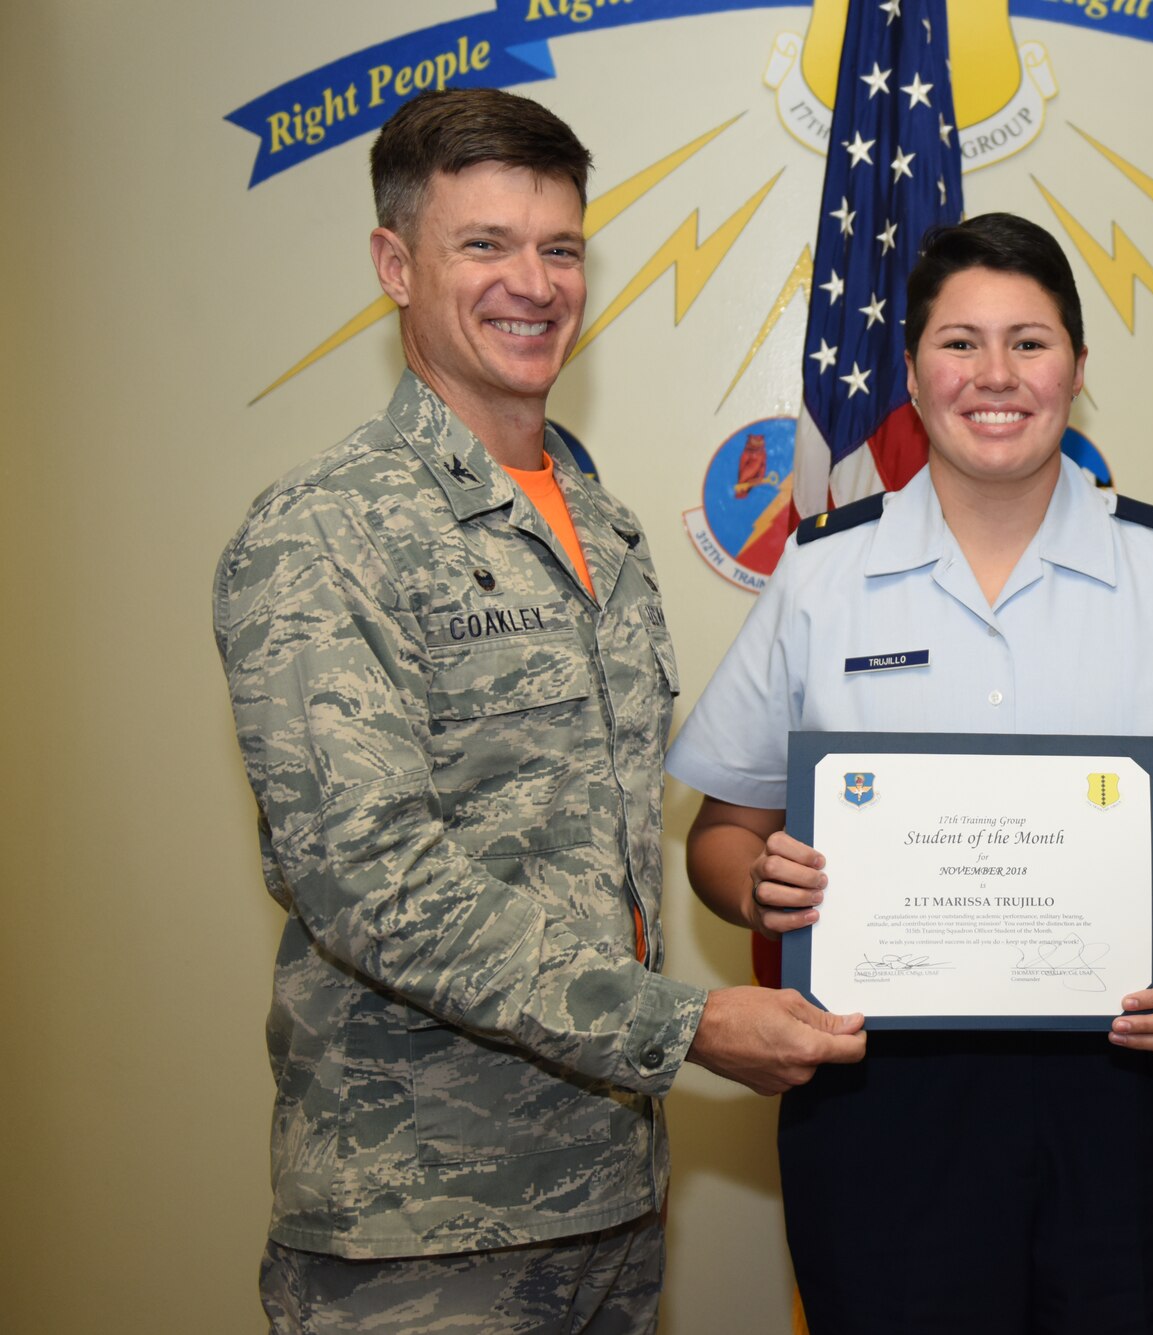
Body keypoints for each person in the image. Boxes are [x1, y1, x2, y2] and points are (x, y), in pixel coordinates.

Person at [213, 88, 865, 1334]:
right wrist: (688, 1025)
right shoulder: (324, 532)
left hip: (607, 1196)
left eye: (558, 247)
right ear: (394, 266)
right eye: (485, 245)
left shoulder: (601, 525)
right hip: (422, 1230)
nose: (534, 282)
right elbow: (371, 879)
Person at [666, 212, 1153, 1335]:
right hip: (881, 1081)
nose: (995, 375)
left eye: (1030, 340)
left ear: (1075, 368)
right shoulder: (820, 576)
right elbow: (721, 834)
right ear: (911, 369)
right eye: (959, 343)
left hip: (1130, 1066)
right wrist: (750, 886)